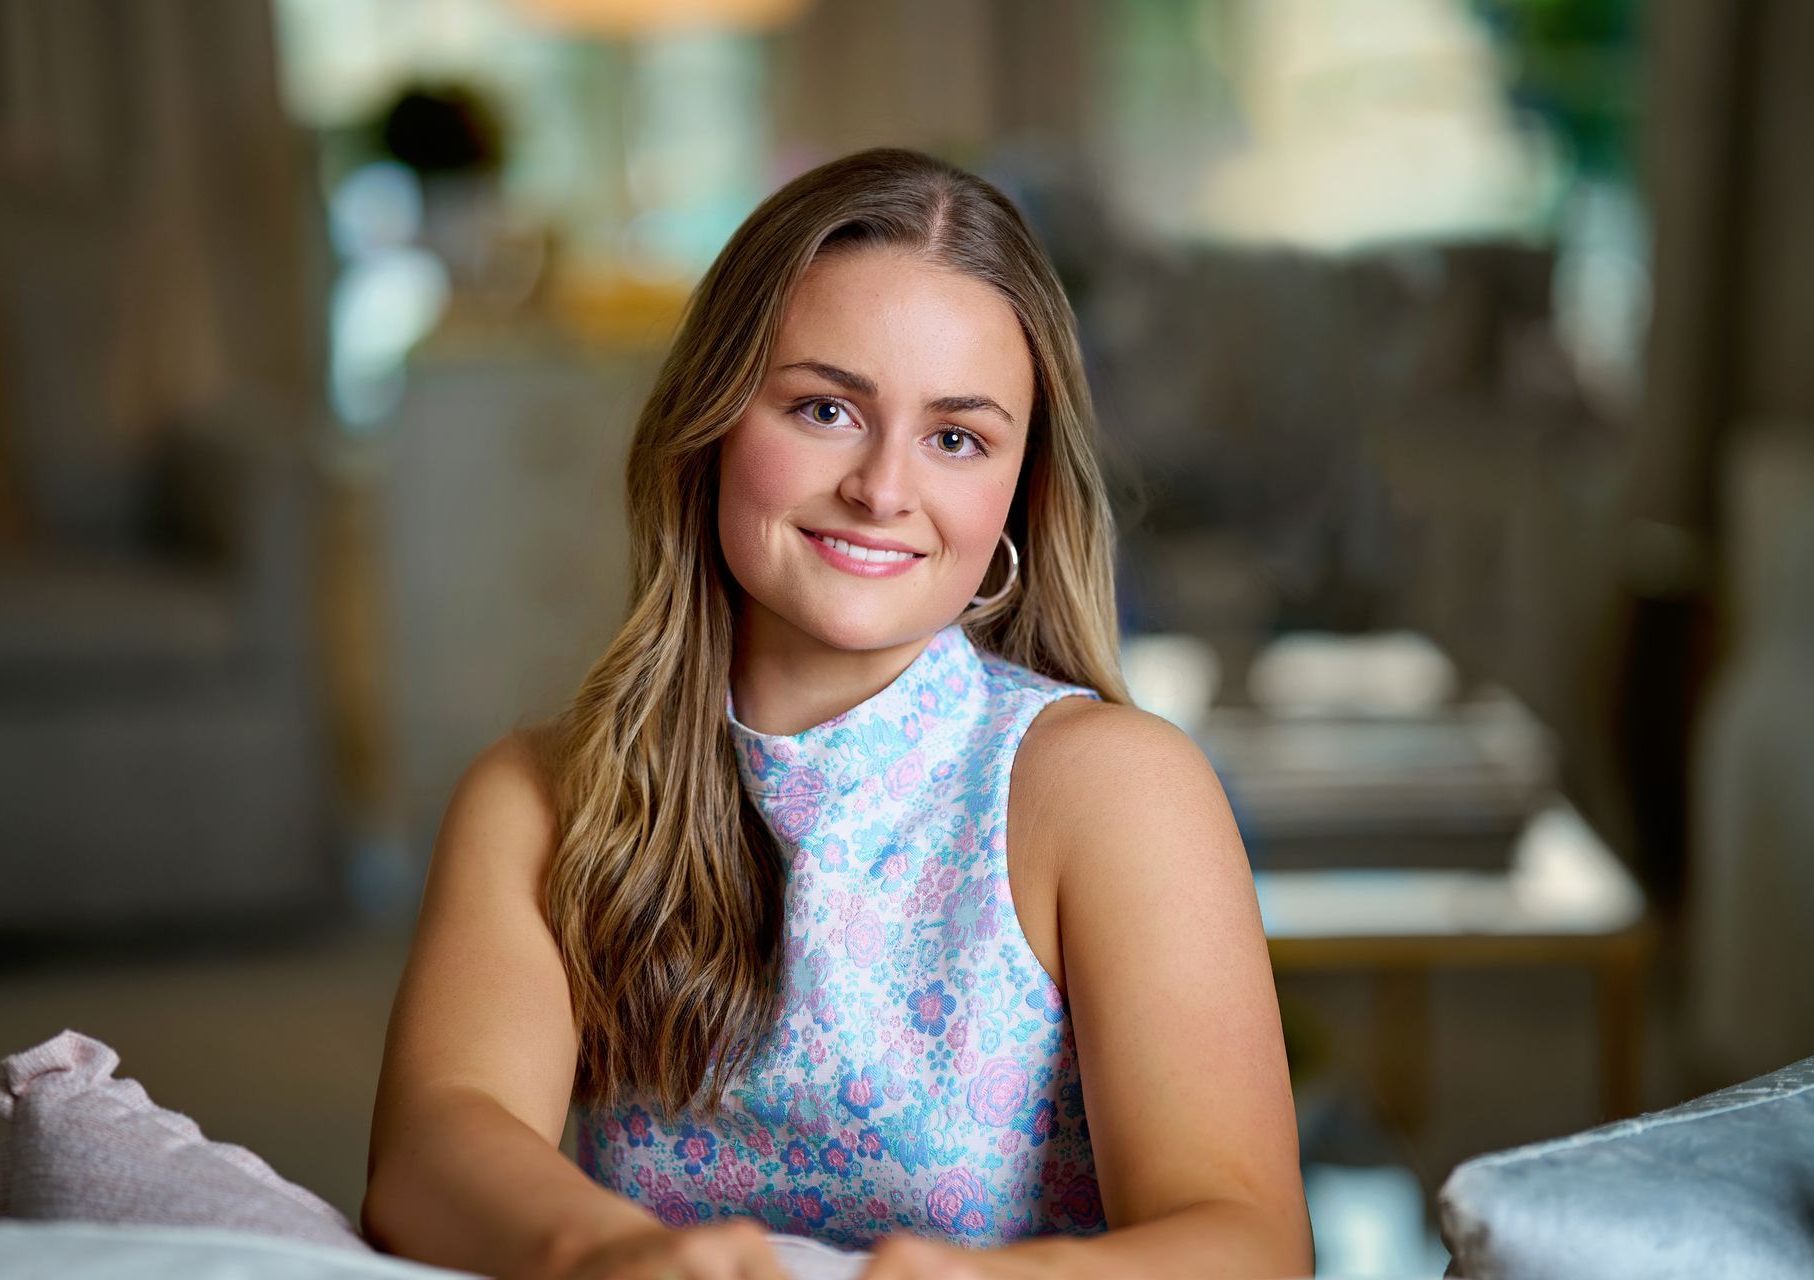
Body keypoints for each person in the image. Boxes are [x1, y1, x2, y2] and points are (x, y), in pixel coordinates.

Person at [362, 147, 1313, 1280]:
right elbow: (432, 1148)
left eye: (956, 437)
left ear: (1022, 485)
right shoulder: (540, 796)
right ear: (710, 422)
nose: (882, 487)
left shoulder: (1112, 790)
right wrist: (615, 1252)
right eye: (824, 408)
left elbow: (1251, 1242)